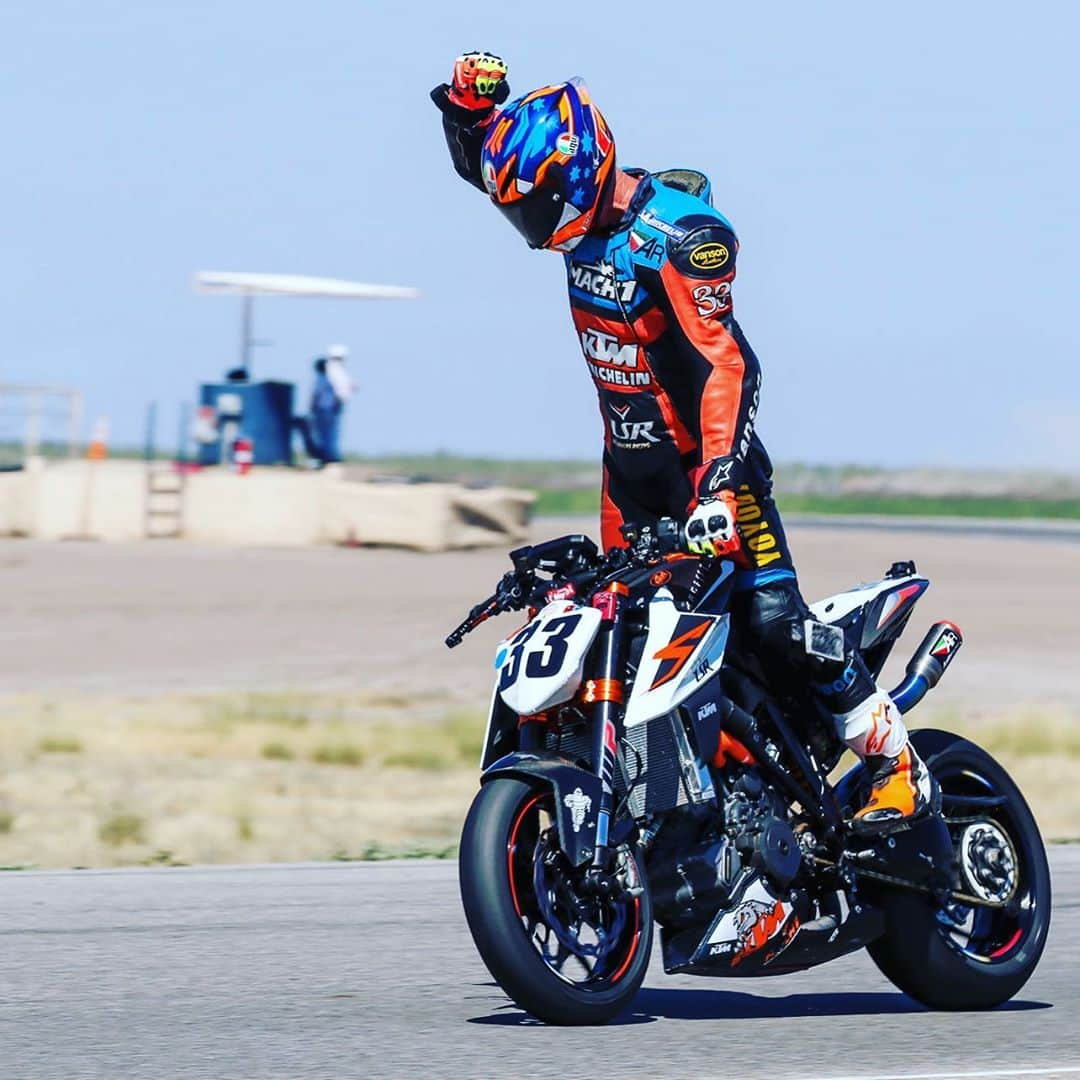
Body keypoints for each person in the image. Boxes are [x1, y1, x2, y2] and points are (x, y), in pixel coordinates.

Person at [431, 52, 936, 832]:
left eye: (535, 206)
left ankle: (895, 762)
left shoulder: (679, 237)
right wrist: (467, 108)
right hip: (628, 481)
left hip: (711, 475)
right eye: (517, 210)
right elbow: (488, 164)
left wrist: (716, 487)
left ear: (584, 170)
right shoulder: (566, 205)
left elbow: (729, 365)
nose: (528, 228)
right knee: (610, 644)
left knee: (772, 620)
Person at [308, 346, 354, 465]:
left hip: (326, 408)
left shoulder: (328, 376)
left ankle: (327, 457)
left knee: (326, 434)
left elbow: (317, 394)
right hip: (329, 408)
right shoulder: (333, 374)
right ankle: (329, 457)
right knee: (328, 434)